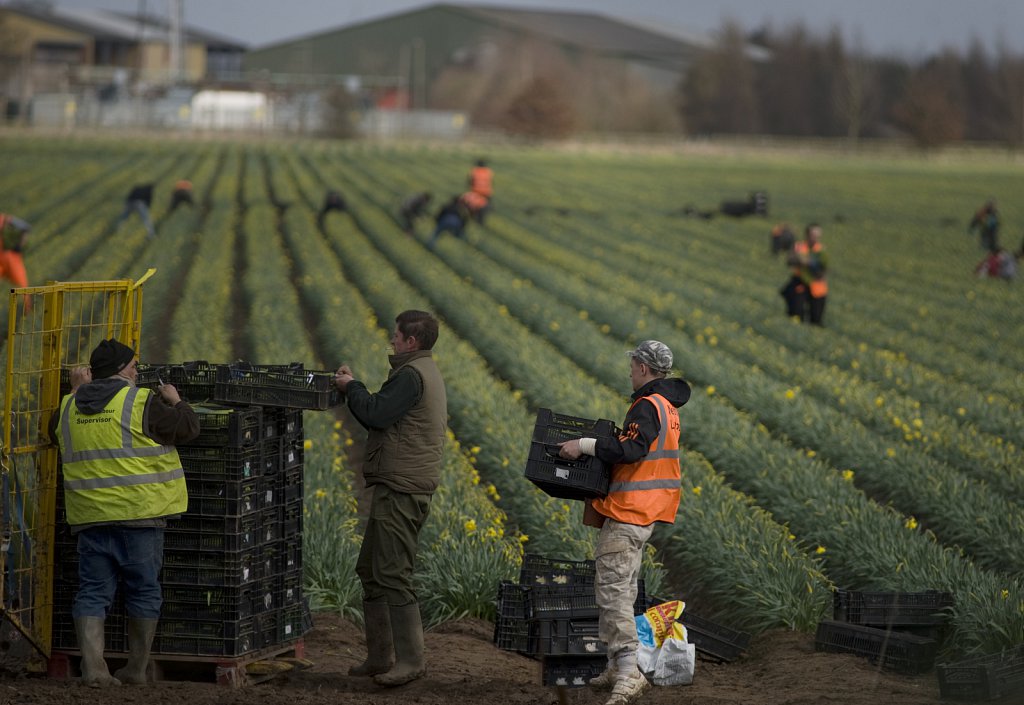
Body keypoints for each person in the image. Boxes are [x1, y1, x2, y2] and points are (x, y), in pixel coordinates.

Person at [50, 339, 198, 687]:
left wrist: (75, 391)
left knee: (92, 591)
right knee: (143, 590)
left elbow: (53, 433)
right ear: (120, 370)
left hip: (90, 519)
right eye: (133, 366)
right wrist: (176, 401)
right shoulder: (140, 401)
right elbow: (188, 428)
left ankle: (94, 670)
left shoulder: (69, 406)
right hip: (140, 517)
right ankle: (136, 669)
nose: (136, 371)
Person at [558, 340, 690, 705]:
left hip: (629, 510)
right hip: (645, 510)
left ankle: (629, 672)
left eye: (633, 365)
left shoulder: (647, 406)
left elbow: (631, 450)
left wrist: (583, 445)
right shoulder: (667, 407)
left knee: (613, 590)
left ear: (644, 368)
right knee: (622, 587)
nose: (629, 370)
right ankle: (618, 664)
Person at [333, 310, 447, 687]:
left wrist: (353, 387)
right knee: (370, 570)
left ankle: (411, 661)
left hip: (403, 487)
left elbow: (376, 413)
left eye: (396, 336)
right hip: (398, 483)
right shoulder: (416, 370)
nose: (392, 341)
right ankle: (380, 655)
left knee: (393, 573)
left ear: (411, 342)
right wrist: (355, 389)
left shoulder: (412, 376)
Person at [793, 224, 828, 326]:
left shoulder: (821, 251)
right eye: (813, 235)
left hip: (817, 287)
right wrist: (799, 259)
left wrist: (810, 263)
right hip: (800, 284)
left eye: (818, 236)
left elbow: (824, 268)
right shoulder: (799, 247)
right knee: (797, 314)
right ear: (807, 235)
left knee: (816, 318)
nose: (816, 238)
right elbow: (790, 260)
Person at [0, 212, 31, 290]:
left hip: (11, 257)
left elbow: (25, 227)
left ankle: (27, 301)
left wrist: (20, 245)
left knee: (22, 286)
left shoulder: (4, 219)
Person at [467, 158, 494, 224]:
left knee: (474, 206)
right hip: (486, 192)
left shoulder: (474, 171)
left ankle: (474, 218)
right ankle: (481, 220)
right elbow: (491, 181)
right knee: (485, 207)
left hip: (475, 191)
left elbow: (470, 180)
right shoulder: (488, 171)